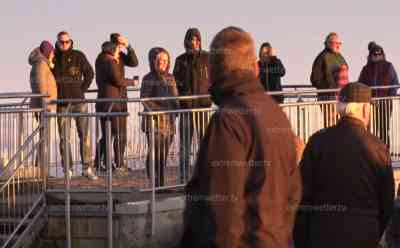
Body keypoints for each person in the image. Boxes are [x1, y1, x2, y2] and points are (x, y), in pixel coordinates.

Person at [181, 26, 301, 248]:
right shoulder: (277, 115)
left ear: (214, 72)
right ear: (255, 67)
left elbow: (222, 211)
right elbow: (293, 194)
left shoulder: (229, 120)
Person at [293, 82, 395, 248]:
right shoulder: (378, 147)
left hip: (322, 235)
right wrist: (373, 231)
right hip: (364, 236)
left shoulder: (318, 141)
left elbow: (302, 196)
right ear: (364, 109)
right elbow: (386, 202)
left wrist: (303, 239)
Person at [53, 31, 97, 179]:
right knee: (64, 138)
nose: (64, 44)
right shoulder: (52, 57)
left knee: (84, 136)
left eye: (66, 41)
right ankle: (68, 170)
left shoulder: (79, 56)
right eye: (61, 42)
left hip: (79, 103)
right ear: (58, 42)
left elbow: (90, 73)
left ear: (70, 41)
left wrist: (81, 89)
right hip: (61, 104)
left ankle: (87, 168)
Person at [94, 33, 139, 172]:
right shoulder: (108, 59)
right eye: (120, 43)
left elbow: (134, 62)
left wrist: (129, 47)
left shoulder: (114, 57)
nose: (121, 46)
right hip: (112, 102)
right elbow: (117, 80)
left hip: (116, 101)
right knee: (116, 134)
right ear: (114, 44)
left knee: (111, 134)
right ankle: (115, 164)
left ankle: (106, 163)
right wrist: (133, 82)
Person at [173, 28, 212, 184]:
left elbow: (216, 78)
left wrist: (213, 95)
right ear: (186, 41)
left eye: (196, 40)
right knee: (185, 145)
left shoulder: (208, 58)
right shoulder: (180, 60)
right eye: (190, 39)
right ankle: (183, 177)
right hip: (186, 108)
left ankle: (205, 176)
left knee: (205, 144)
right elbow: (174, 83)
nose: (193, 42)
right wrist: (181, 97)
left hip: (203, 107)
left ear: (200, 41)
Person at [140, 47, 179, 187]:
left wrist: (177, 107)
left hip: (169, 122)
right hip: (154, 122)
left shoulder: (171, 77)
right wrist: (160, 110)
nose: (163, 62)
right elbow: (144, 99)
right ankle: (153, 182)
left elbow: (175, 97)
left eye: (165, 60)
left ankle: (161, 183)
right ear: (153, 61)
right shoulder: (148, 78)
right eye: (160, 60)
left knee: (163, 155)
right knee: (155, 153)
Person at [359, 42, 399, 147]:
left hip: (384, 102)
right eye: (374, 55)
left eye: (379, 54)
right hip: (370, 103)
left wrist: (389, 97)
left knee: (384, 128)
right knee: (370, 128)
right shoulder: (366, 69)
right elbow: (361, 84)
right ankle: (372, 151)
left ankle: (385, 150)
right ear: (370, 56)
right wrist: (367, 99)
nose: (377, 56)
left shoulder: (388, 66)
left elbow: (394, 83)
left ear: (382, 54)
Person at [29, 40, 58, 167]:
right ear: (47, 52)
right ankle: (41, 168)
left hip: (42, 105)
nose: (53, 55)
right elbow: (41, 86)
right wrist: (46, 104)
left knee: (43, 137)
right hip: (44, 106)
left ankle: (41, 167)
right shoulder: (41, 65)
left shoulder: (40, 64)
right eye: (52, 52)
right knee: (44, 138)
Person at [311, 32, 348, 127]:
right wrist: (328, 89)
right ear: (327, 43)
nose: (338, 45)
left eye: (339, 43)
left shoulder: (340, 57)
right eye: (335, 43)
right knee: (331, 124)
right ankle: (330, 141)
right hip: (328, 97)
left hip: (342, 97)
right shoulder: (322, 57)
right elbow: (314, 78)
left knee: (342, 123)